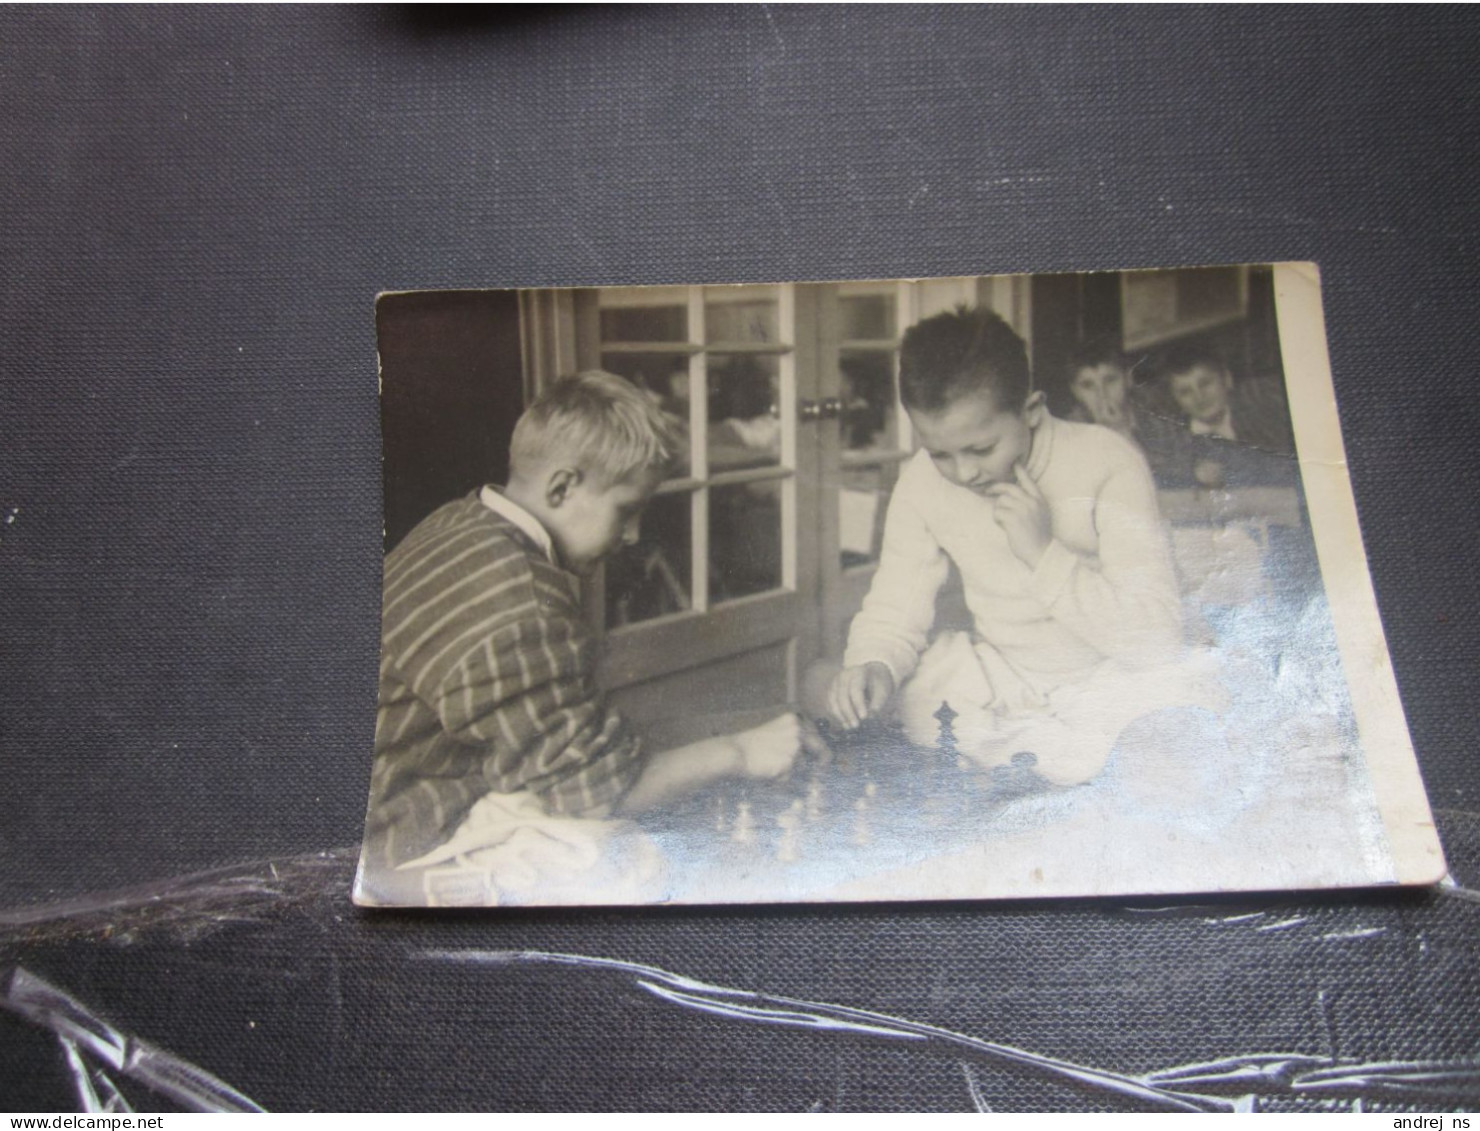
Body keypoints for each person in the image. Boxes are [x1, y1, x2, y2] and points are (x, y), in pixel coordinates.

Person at [359, 370, 816, 902]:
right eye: (626, 510)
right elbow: (597, 794)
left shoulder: (463, 521)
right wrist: (741, 751)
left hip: (398, 780)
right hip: (400, 831)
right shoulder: (519, 603)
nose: (633, 535)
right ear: (561, 487)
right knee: (626, 864)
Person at [820, 308, 1208, 787]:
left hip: (1110, 676)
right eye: (940, 452)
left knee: (1187, 692)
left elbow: (1154, 640)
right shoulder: (920, 482)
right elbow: (895, 606)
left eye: (981, 450)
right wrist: (875, 662)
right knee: (880, 684)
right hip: (1008, 678)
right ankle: (1076, 760)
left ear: (1031, 410)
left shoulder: (1107, 460)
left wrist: (1042, 552)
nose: (964, 474)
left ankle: (1039, 757)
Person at [1158, 343, 1297, 489]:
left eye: (1205, 383)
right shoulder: (1178, 443)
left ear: (1227, 379)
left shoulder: (1258, 405)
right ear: (1175, 400)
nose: (1199, 397)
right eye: (1185, 392)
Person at [1064, 338, 1185, 484]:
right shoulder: (1068, 436)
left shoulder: (1160, 419)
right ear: (1076, 391)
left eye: (1110, 380)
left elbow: (1176, 483)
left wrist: (1123, 434)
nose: (1102, 395)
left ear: (1128, 379)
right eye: (1088, 386)